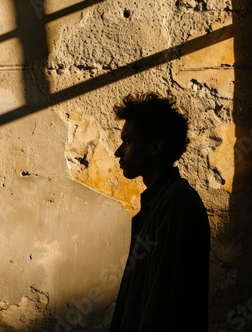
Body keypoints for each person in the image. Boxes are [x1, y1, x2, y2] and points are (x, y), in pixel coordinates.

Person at [109, 93, 210, 331]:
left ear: (154, 147)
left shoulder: (175, 204)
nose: (118, 152)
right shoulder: (162, 201)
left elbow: (164, 304)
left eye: (127, 141)